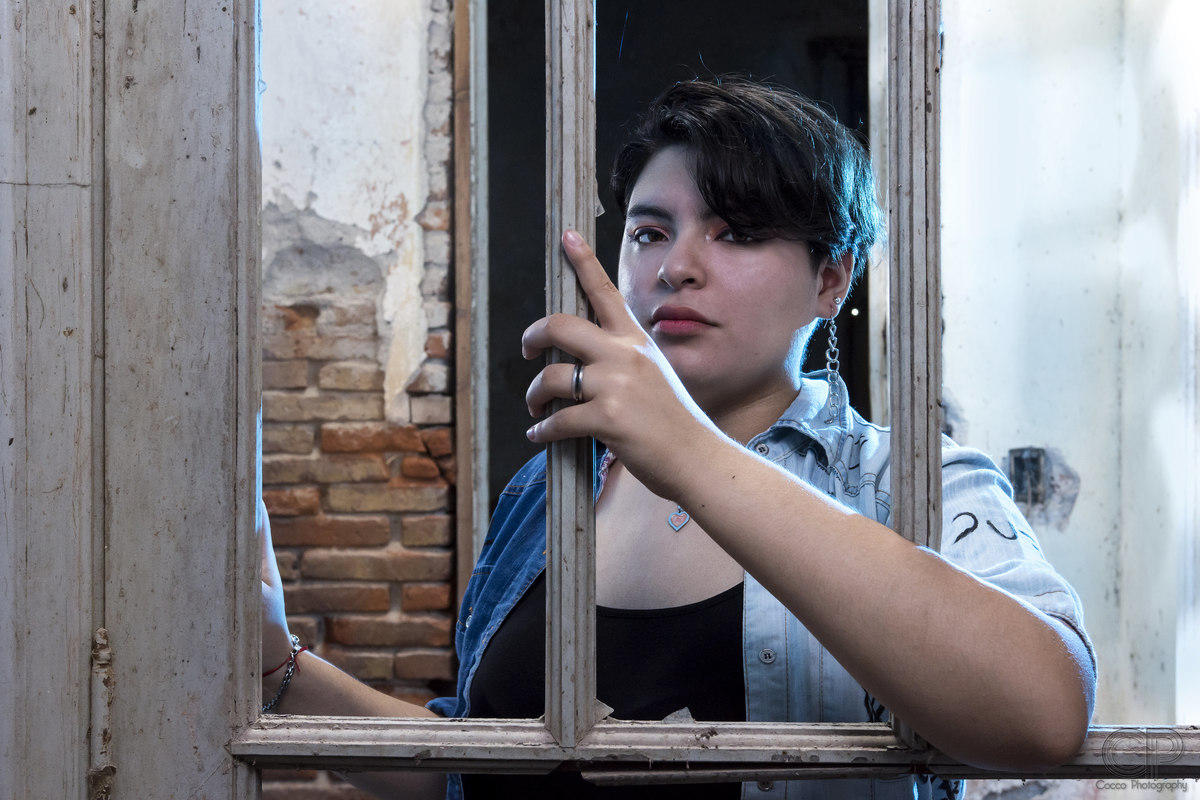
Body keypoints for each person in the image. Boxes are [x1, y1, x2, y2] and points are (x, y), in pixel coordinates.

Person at [260, 76, 1096, 800]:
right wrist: (280, 672)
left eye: (735, 231)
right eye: (651, 231)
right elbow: (468, 765)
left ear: (831, 278)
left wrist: (688, 449)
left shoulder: (899, 482)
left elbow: (1045, 712)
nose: (676, 267)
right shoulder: (549, 490)